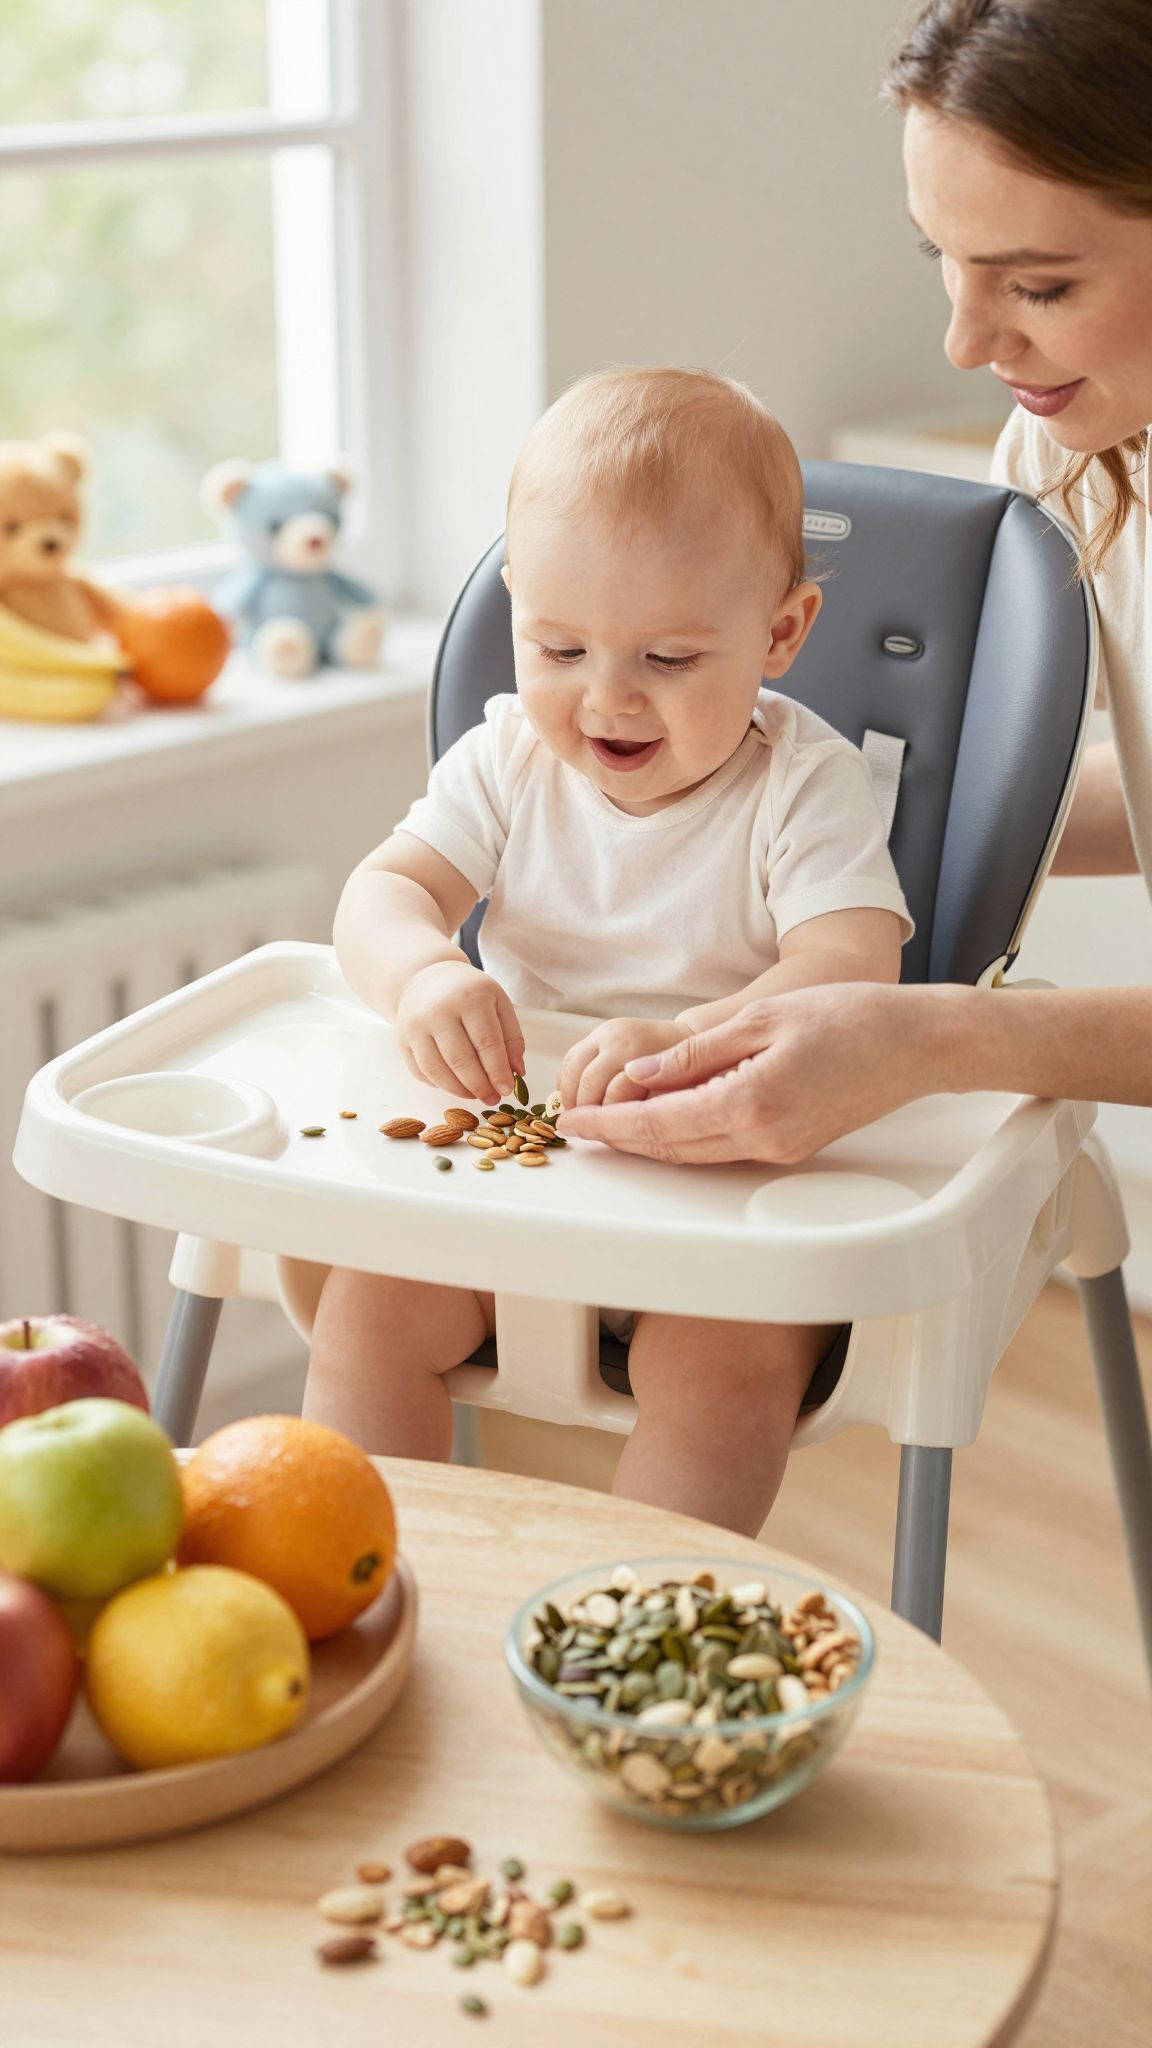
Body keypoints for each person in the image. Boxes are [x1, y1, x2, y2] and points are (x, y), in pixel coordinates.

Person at [303, 367, 911, 1533]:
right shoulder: (505, 764)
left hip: (730, 1187)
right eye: (561, 648)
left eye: (669, 659)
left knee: (723, 1378)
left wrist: (689, 1040)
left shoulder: (805, 784)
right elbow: (382, 891)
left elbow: (852, 967)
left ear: (780, 632)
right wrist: (424, 970)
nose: (607, 700)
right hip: (518, 1177)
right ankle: (369, 1580)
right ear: (517, 606)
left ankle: (640, 1620)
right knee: (369, 1309)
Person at [560, 0, 1152, 1168]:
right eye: (945, 260)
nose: (967, 342)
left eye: (1038, 287)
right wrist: (783, 824)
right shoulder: (1079, 456)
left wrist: (930, 1036)